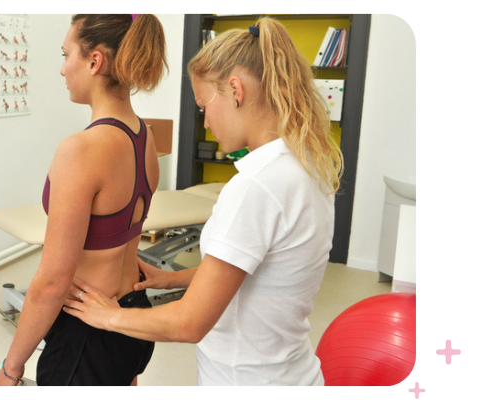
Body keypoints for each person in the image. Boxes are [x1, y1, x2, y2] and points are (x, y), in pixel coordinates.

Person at [63, 17, 344, 386]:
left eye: (203, 105)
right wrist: (173, 279)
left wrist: (107, 317)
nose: (206, 121)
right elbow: (258, 268)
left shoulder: (257, 187)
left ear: (235, 89)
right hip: (292, 374)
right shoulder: (307, 165)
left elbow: (188, 323)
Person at [0, 14, 168, 386]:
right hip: (131, 317)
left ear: (95, 61)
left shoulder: (81, 150)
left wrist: (12, 368)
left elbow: (53, 282)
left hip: (86, 333)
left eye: (66, 54)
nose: (61, 69)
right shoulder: (144, 136)